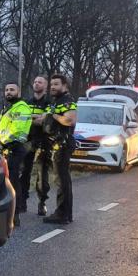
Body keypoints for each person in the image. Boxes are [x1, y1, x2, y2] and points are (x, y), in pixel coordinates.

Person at [0, 82, 33, 226]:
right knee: (5, 182)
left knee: (13, 183)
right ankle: (7, 214)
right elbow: (2, 132)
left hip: (15, 149)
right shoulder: (8, 109)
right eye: (6, 89)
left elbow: (17, 130)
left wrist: (2, 143)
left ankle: (14, 217)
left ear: (19, 92)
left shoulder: (21, 108)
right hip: (5, 149)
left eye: (12, 90)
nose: (8, 92)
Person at [43, 74, 78, 225]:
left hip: (63, 144)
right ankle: (64, 213)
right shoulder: (56, 101)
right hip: (57, 144)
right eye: (51, 84)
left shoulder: (68, 101)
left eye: (56, 84)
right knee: (61, 179)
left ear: (64, 86)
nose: (52, 87)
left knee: (62, 180)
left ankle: (62, 214)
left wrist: (53, 115)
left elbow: (70, 120)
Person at [21, 76, 52, 216]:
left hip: (44, 142)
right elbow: (24, 120)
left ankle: (42, 203)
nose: (36, 83)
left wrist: (32, 118)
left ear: (45, 86)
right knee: (25, 172)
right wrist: (37, 118)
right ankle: (23, 202)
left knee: (42, 174)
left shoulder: (50, 102)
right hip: (28, 141)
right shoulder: (27, 102)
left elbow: (45, 121)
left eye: (40, 82)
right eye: (34, 81)